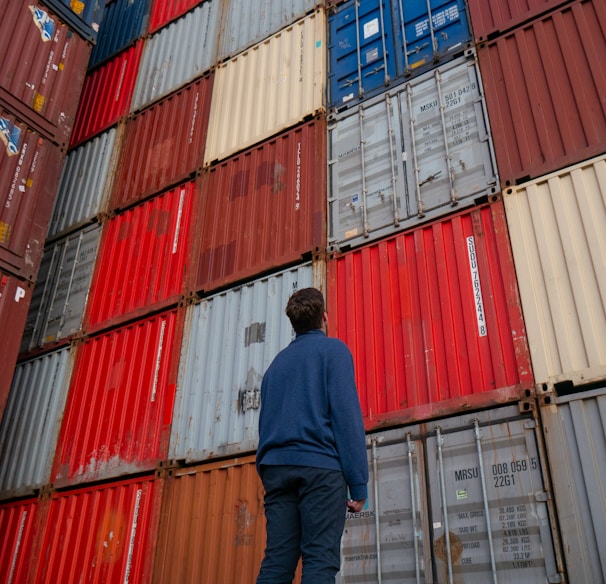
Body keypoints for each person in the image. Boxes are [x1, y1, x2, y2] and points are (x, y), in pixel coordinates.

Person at [256, 287, 368, 584]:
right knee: (319, 559)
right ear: (325, 318)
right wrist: (358, 484)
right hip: (320, 470)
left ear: (293, 324)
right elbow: (347, 419)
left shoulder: (274, 367)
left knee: (277, 562)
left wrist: (270, 472)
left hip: (277, 471)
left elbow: (264, 426)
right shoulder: (334, 351)